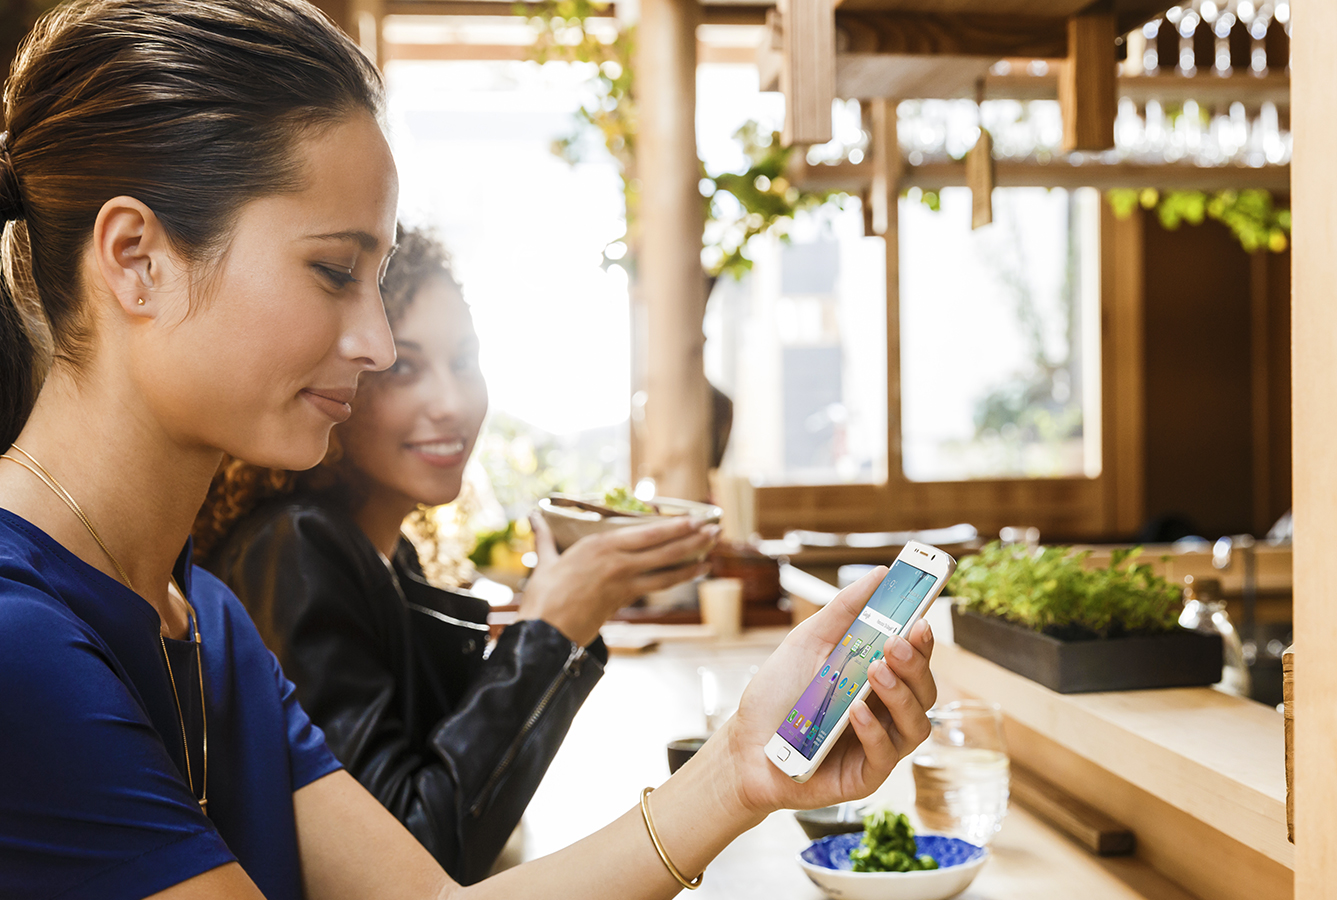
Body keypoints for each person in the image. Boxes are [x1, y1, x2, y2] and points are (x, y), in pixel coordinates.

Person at [0, 2, 937, 899]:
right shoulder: (23, 643)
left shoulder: (201, 617)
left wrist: (739, 769)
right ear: (136, 260)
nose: (372, 343)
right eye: (333, 270)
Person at [193, 225, 719, 883]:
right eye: (405, 367)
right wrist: (549, 633)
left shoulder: (388, 553)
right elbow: (410, 859)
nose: (452, 403)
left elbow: (447, 781)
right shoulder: (295, 548)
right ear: (340, 369)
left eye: (465, 361)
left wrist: (568, 614)